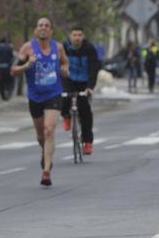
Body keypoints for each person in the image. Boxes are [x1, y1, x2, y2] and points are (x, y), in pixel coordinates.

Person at [11, 17, 69, 187]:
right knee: (41, 135)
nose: (43, 28)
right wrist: (27, 65)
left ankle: (46, 171)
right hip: (35, 97)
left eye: (47, 26)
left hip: (54, 94)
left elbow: (65, 62)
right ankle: (45, 151)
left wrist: (65, 69)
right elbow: (13, 71)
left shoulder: (58, 48)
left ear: (51, 31)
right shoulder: (28, 48)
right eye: (40, 25)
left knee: (49, 130)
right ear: (36, 30)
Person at [60, 27, 100, 155]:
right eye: (74, 35)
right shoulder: (64, 48)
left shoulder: (90, 49)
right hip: (68, 79)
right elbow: (57, 65)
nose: (77, 37)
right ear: (70, 36)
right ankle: (66, 115)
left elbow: (94, 69)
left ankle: (87, 142)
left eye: (79, 35)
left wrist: (90, 87)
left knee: (85, 111)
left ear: (83, 37)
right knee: (64, 98)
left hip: (84, 82)